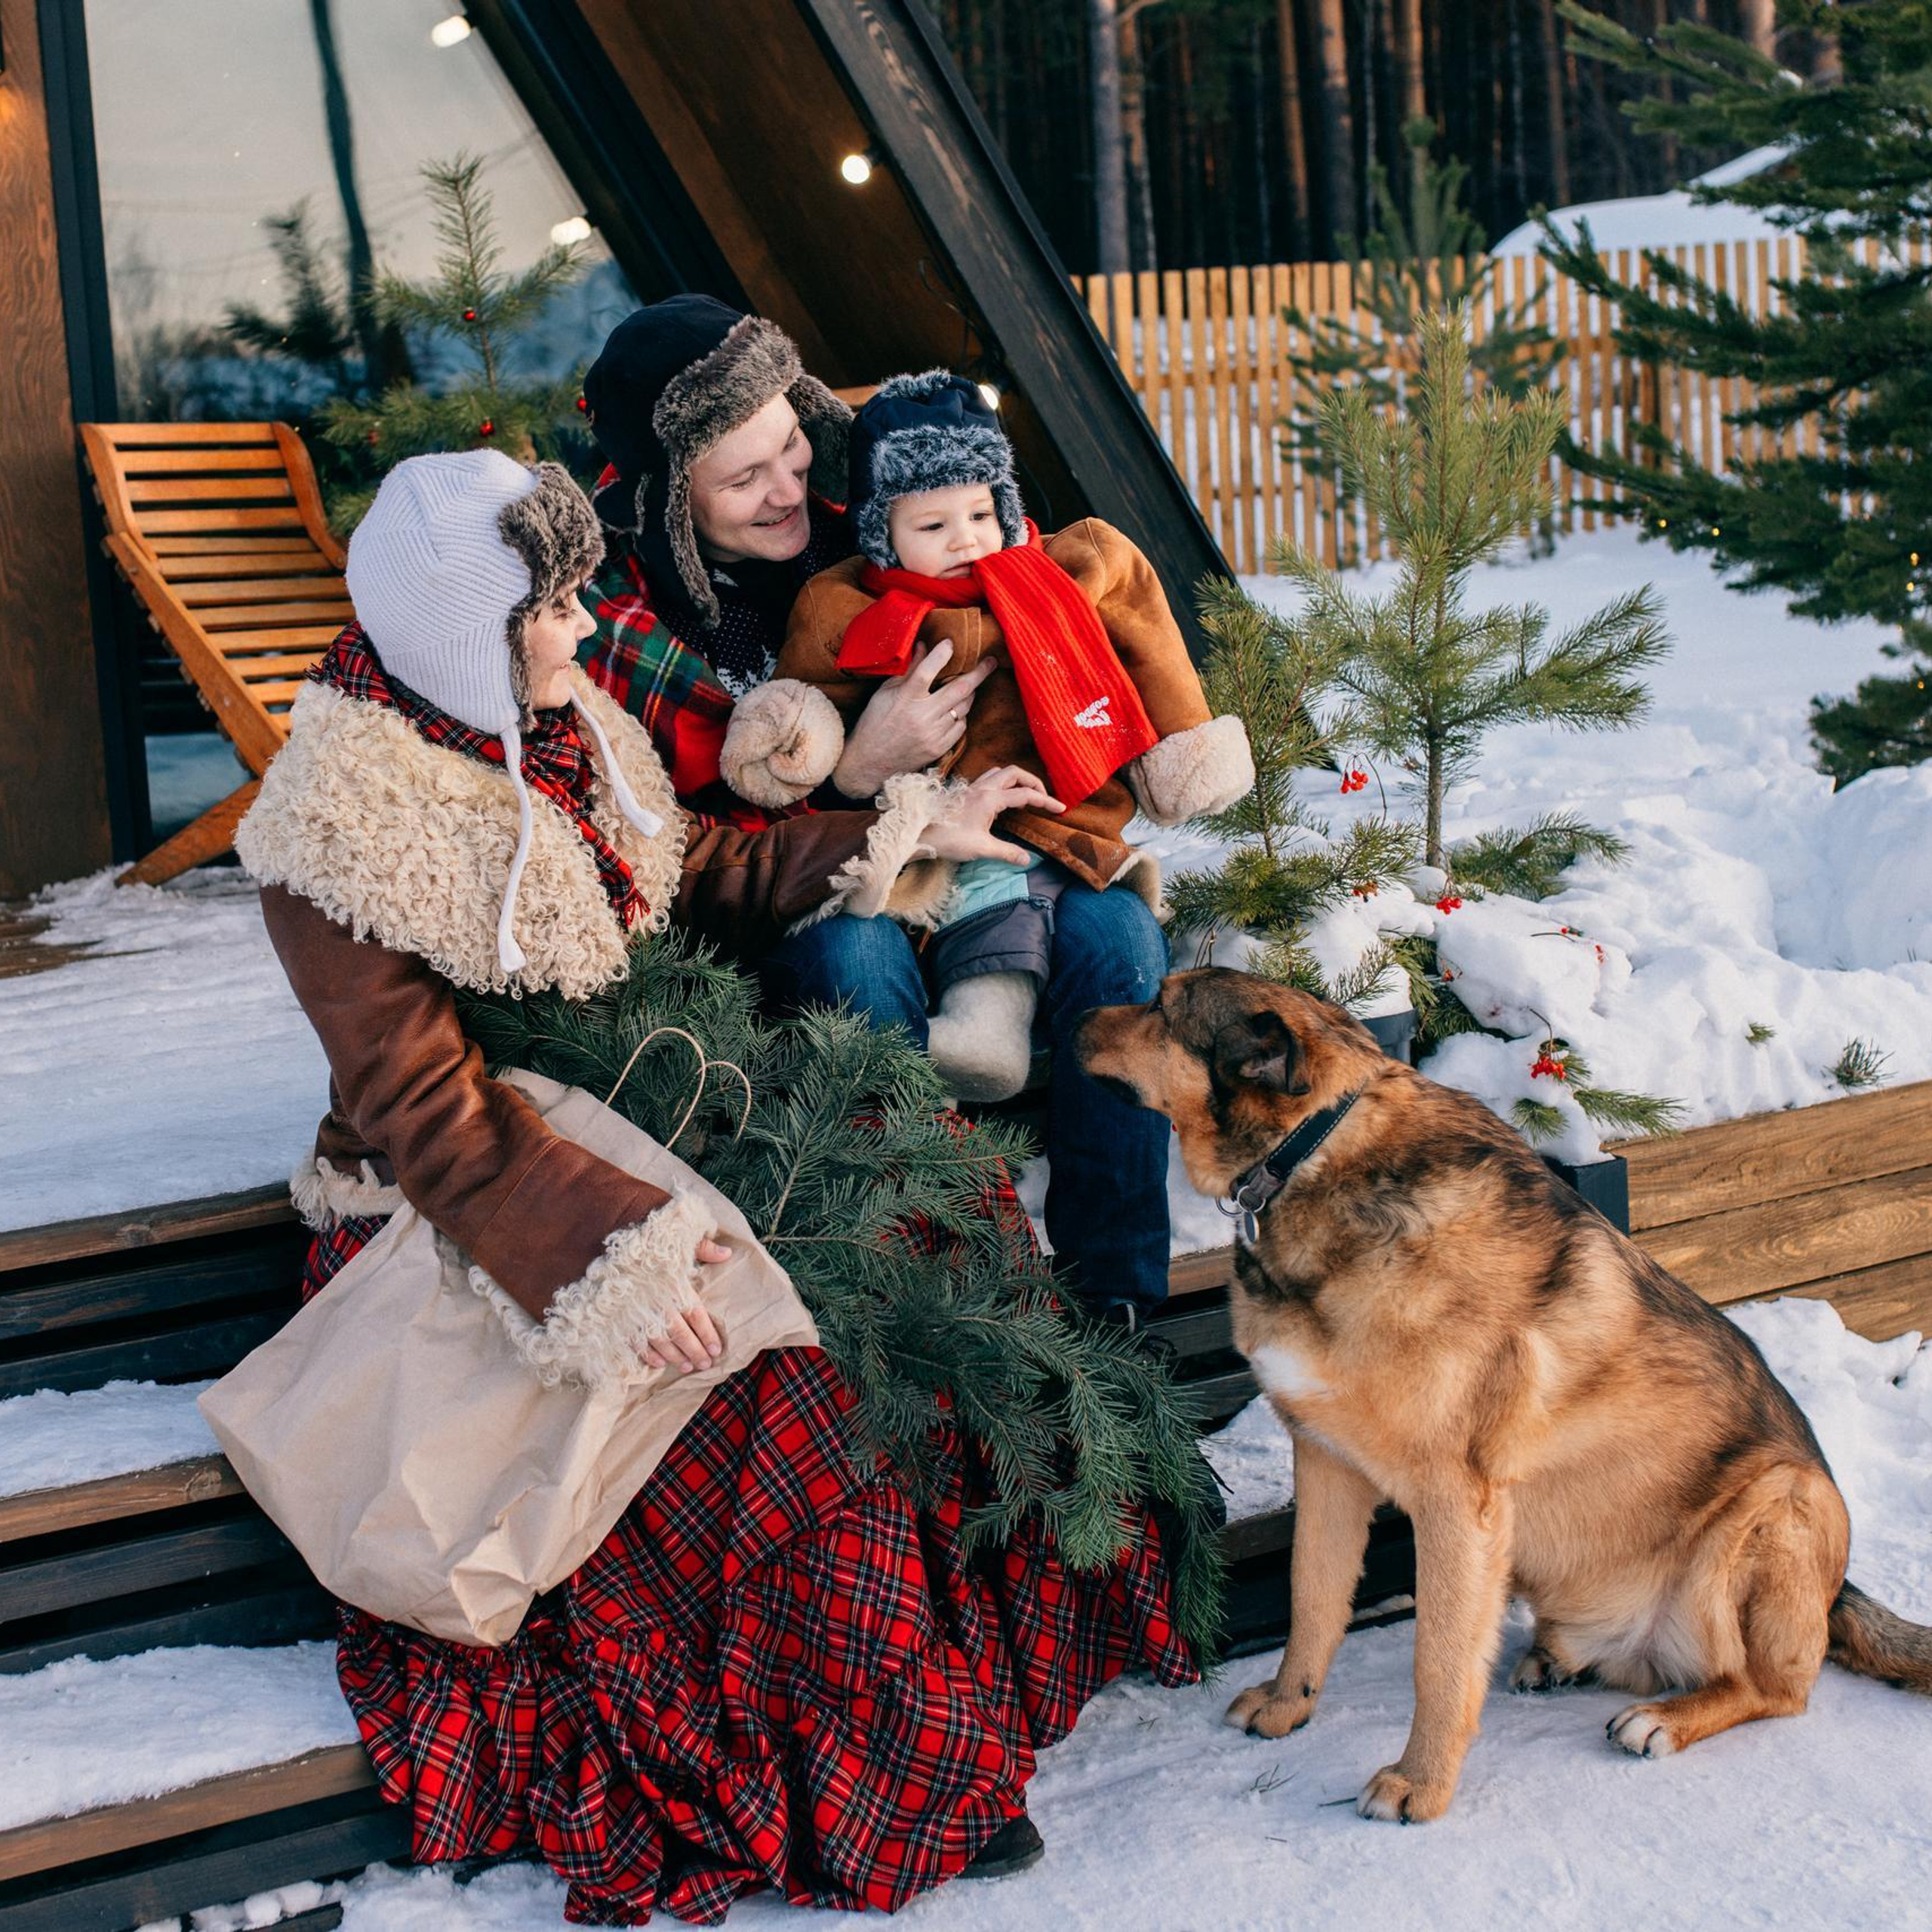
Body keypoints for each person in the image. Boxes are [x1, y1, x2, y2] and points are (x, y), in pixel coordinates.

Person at [235, 449, 1196, 1923]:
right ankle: (877, 1761)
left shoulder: (566, 724)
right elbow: (427, 1113)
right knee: (761, 1369)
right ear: (465, 637)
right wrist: (609, 1257)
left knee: (935, 1196)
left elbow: (691, 874)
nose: (582, 626)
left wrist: (897, 832)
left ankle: (987, 1642)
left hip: (650, 1094)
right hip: (483, 1198)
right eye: (551, 607)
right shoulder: (340, 831)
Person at [578, 297, 1195, 1331]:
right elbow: (685, 854)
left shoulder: (870, 516)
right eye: (744, 479)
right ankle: (949, 1296)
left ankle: (1115, 1304)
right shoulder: (618, 618)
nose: (790, 490)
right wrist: (861, 775)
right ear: (670, 496)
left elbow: (1026, 571)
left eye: (791, 446)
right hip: (813, 896)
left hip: (993, 854)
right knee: (853, 959)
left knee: (1117, 932)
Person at [718, 368, 1254, 1103]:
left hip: (1067, 822)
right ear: (882, 537)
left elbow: (1147, 642)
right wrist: (799, 743)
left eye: (980, 514)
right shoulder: (847, 606)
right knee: (982, 886)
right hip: (925, 837)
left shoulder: (1071, 568)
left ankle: (1104, 1166)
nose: (966, 540)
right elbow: (811, 692)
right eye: (932, 527)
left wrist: (1183, 748)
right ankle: (973, 1052)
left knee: (1119, 939)